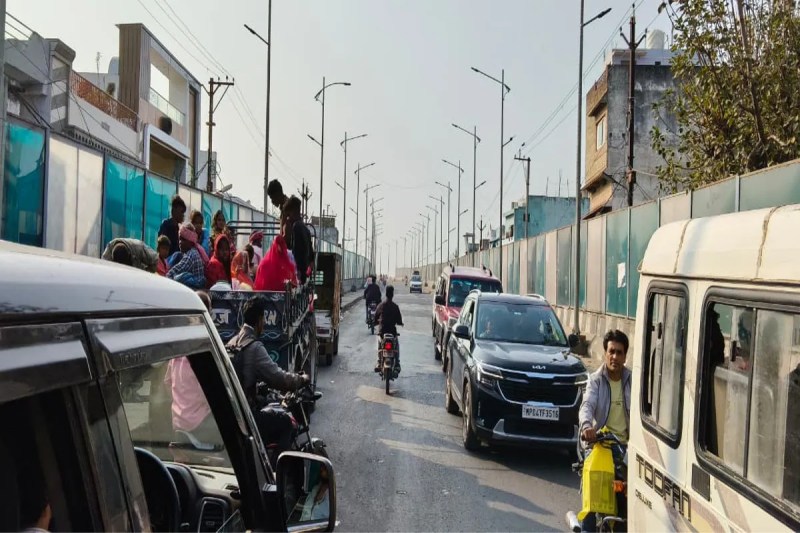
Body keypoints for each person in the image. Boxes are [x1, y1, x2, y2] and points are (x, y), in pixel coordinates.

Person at [578, 329, 631, 532]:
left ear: (625, 356)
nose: (615, 357)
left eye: (619, 352)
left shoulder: (633, 381)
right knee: (592, 496)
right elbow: (587, 405)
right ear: (605, 353)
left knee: (630, 499)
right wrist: (587, 426)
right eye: (611, 351)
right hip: (599, 444)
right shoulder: (596, 380)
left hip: (625, 448)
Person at [227, 296, 309, 409]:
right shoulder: (255, 347)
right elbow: (278, 378)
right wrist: (301, 379)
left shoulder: (232, 341)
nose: (265, 322)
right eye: (263, 319)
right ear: (259, 320)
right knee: (284, 417)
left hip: (235, 405)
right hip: (247, 409)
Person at [164, 291, 218, 444]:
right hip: (198, 423)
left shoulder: (178, 349)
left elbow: (167, 383)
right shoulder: (203, 347)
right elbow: (211, 391)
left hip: (178, 421)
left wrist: (181, 404)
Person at [167, 223, 207, 289]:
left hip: (195, 288)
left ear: (191, 242)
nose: (180, 242)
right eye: (180, 239)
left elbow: (177, 269)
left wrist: (166, 277)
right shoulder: (192, 252)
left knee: (179, 277)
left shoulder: (191, 254)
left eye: (183, 240)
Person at [283, 196, 313, 284]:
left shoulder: (296, 227)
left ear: (293, 212)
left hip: (299, 274)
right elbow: (311, 255)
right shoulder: (305, 229)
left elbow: (296, 252)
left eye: (288, 215)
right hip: (304, 274)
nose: (288, 219)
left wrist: (296, 272)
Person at [374, 285, 403, 373]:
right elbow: (399, 320)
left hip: (382, 331)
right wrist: (400, 323)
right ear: (392, 294)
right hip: (392, 332)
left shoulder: (381, 305)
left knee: (379, 344)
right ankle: (397, 363)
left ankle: (379, 362)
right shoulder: (395, 307)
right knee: (396, 345)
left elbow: (375, 317)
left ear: (386, 294)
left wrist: (375, 322)